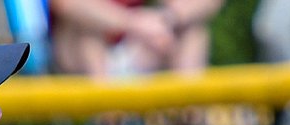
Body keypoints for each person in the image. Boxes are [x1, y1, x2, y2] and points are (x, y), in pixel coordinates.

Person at [49, 0, 225, 77]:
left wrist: (167, 18)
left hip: (133, 51)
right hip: (78, 57)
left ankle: (189, 123)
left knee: (193, 32)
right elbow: (65, 4)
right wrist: (133, 23)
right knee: (89, 35)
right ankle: (108, 124)